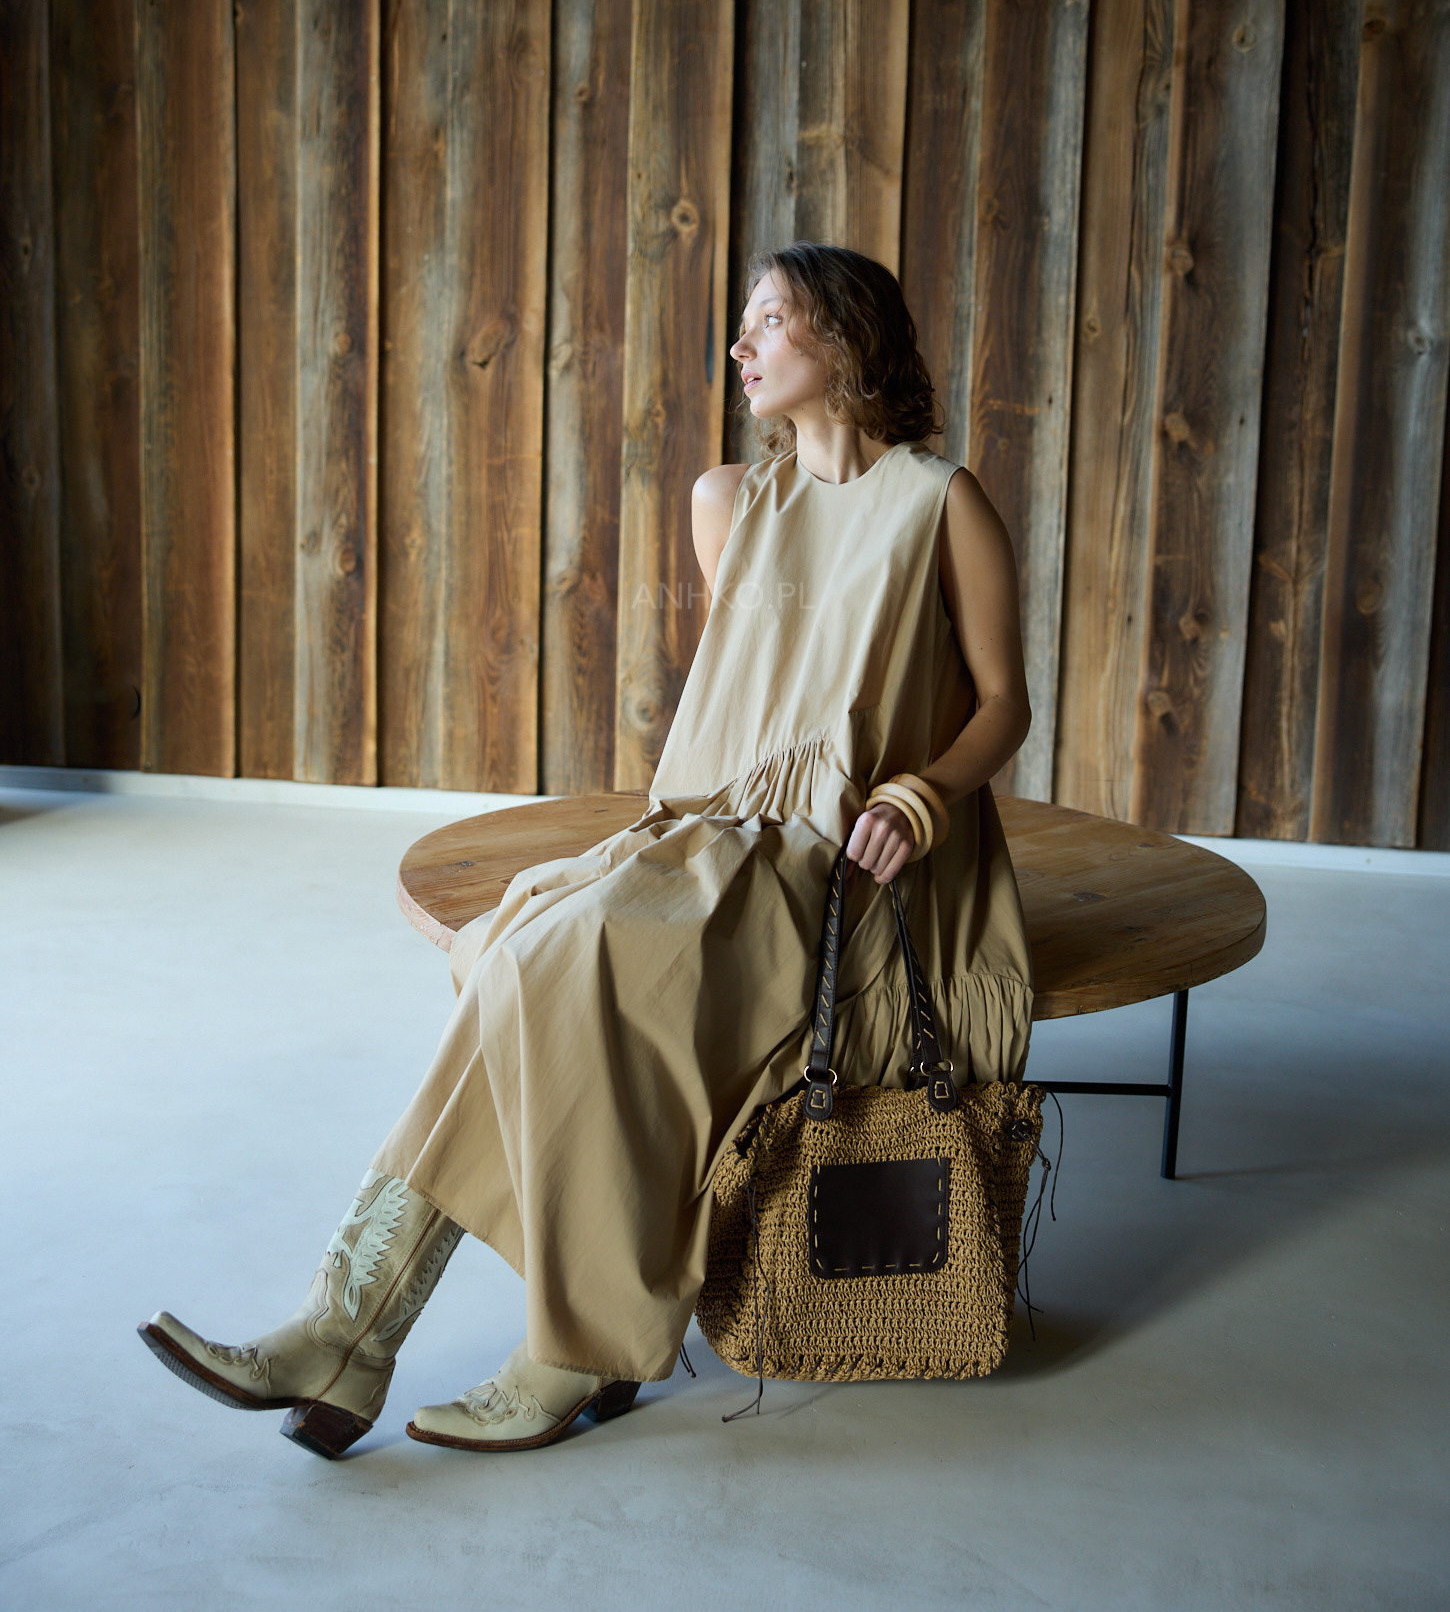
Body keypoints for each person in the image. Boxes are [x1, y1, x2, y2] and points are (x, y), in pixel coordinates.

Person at [139, 241, 1035, 1460]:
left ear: (844, 336)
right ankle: (360, 1324)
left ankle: (485, 1337)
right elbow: (754, 705)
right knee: (517, 945)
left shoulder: (940, 502)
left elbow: (1002, 702)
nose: (741, 345)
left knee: (556, 962)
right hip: (705, 830)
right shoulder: (729, 500)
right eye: (744, 323)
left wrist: (920, 796)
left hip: (842, 864)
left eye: (770, 319)